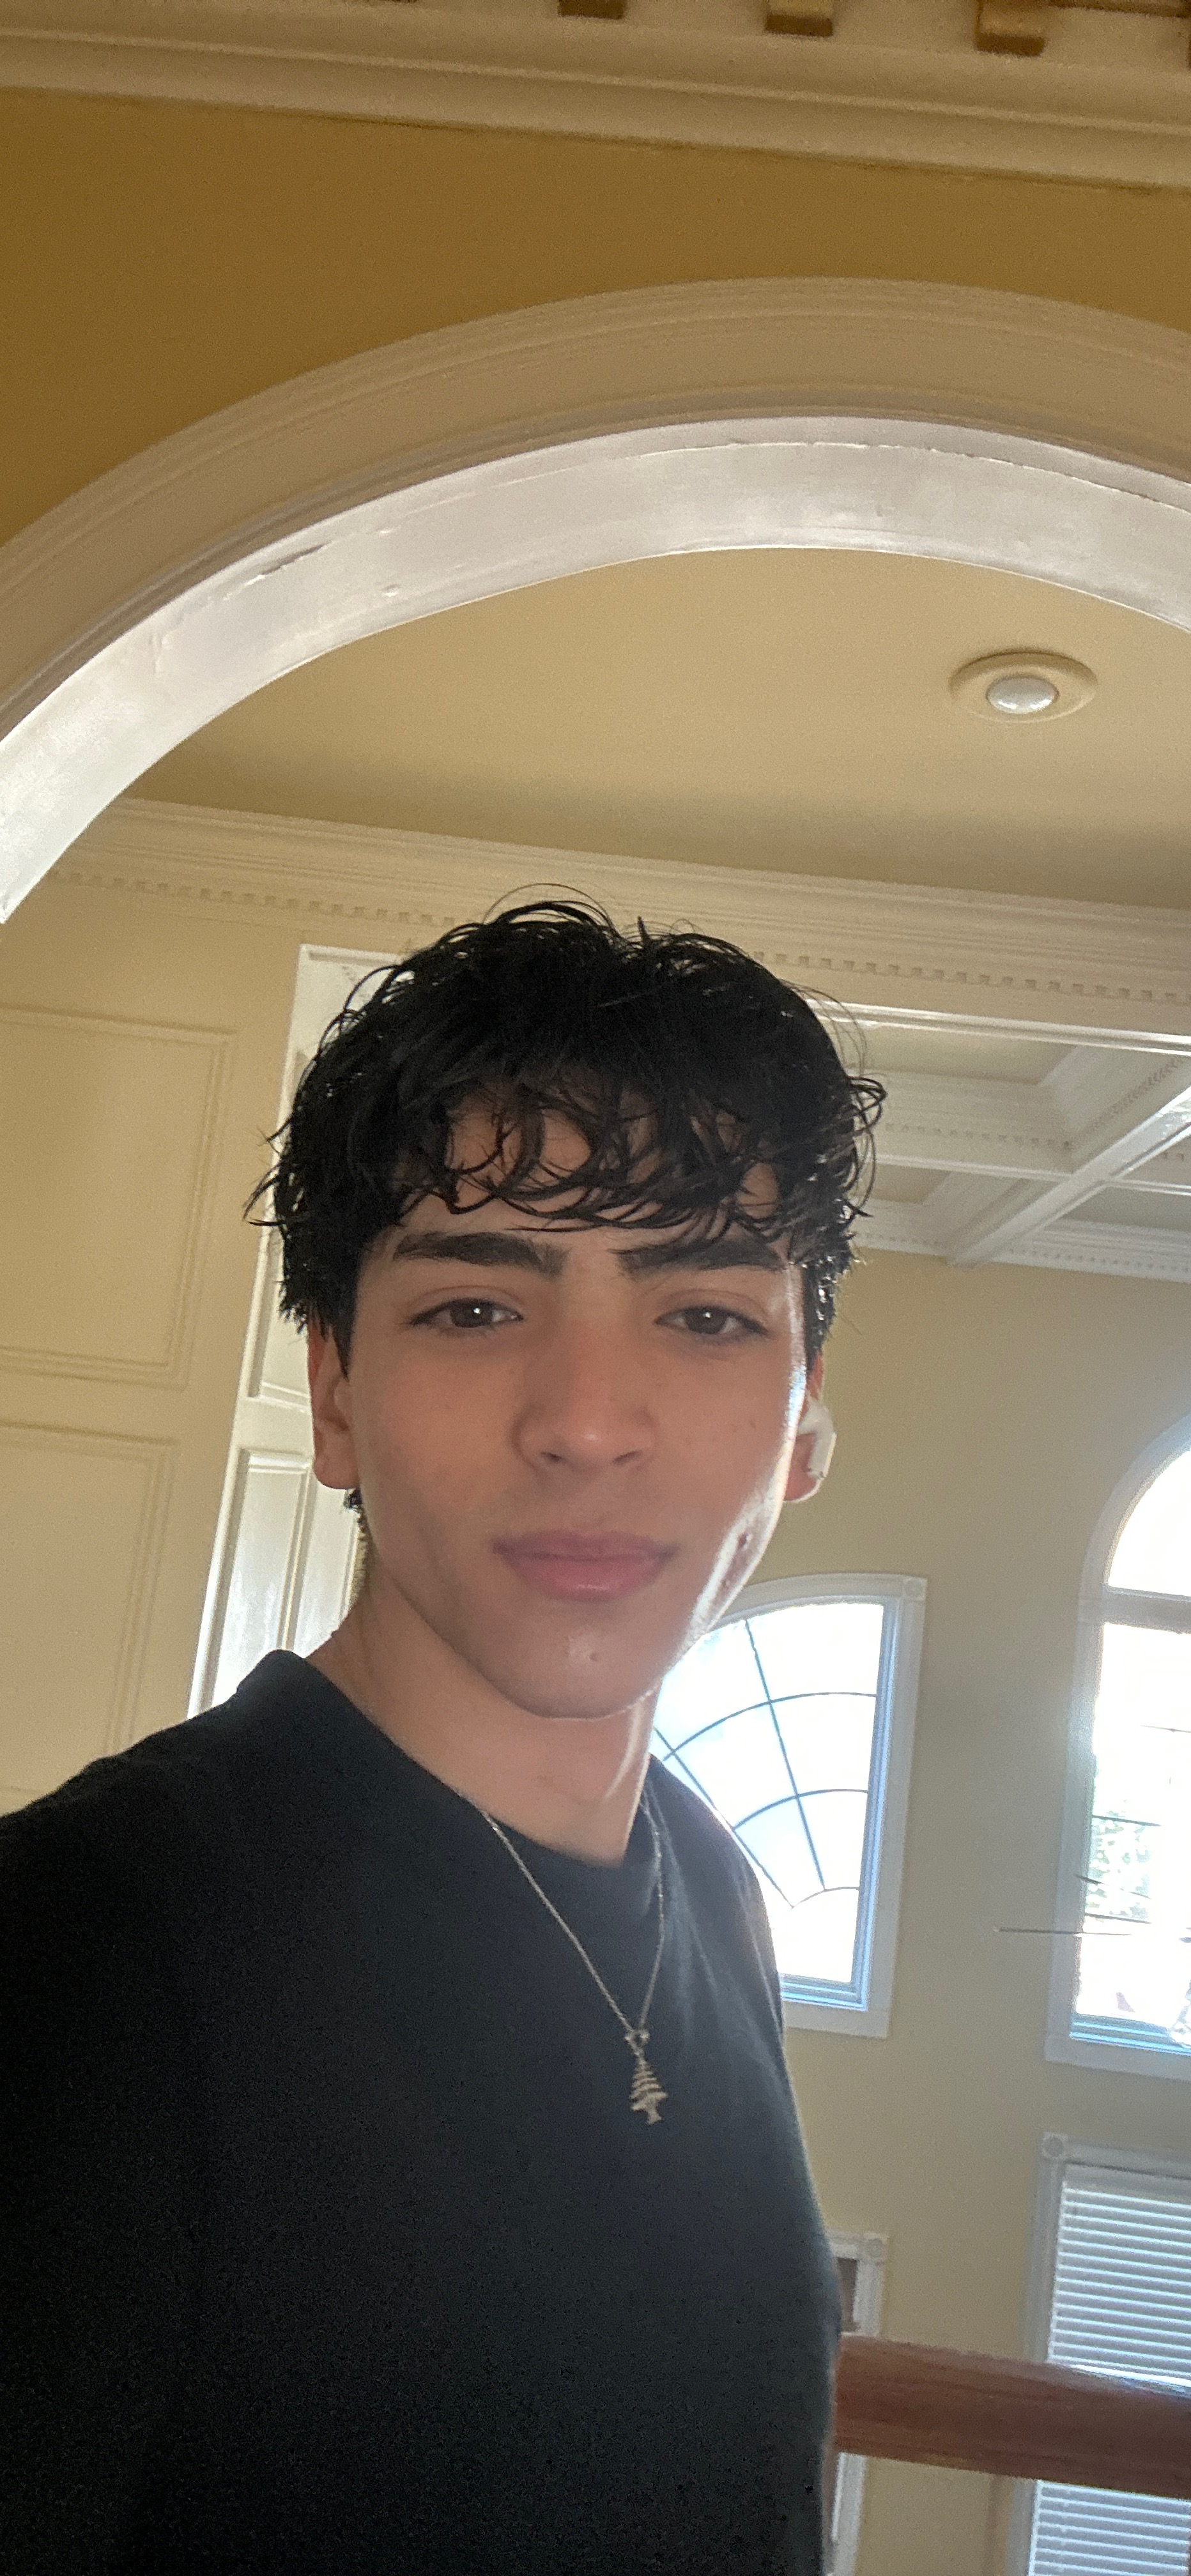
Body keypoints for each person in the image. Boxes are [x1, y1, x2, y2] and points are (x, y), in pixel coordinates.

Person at [1, 901, 882, 2575]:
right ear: (334, 1393)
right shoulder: (79, 1950)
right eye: (477, 1308)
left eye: (705, 1314)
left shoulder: (716, 1891)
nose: (587, 1423)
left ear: (802, 1419)